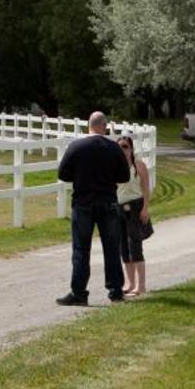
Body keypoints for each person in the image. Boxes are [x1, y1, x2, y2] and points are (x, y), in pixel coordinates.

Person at [54, 111, 130, 306]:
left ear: (88, 126)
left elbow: (63, 174)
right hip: (108, 202)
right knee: (112, 248)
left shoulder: (76, 147)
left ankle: (79, 292)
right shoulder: (114, 148)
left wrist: (81, 176)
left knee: (81, 249)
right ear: (104, 127)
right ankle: (115, 291)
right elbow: (124, 177)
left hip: (83, 202)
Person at [115, 133, 151, 297]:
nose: (122, 150)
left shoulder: (139, 165)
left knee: (135, 247)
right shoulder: (114, 167)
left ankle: (141, 286)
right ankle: (129, 284)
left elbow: (145, 188)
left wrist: (145, 208)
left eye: (125, 147)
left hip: (136, 208)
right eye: (119, 147)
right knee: (124, 249)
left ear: (131, 149)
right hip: (119, 209)